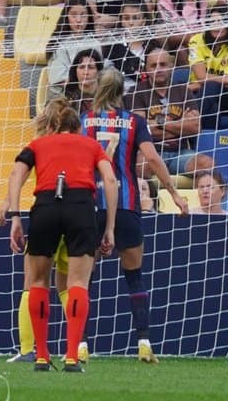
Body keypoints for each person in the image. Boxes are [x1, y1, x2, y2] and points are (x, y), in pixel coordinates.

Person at [0, 97, 115, 372]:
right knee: (77, 284)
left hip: (46, 206)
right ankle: (73, 356)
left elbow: (16, 174)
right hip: (81, 206)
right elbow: (109, 180)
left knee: (38, 281)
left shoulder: (38, 145)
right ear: (78, 127)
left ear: (53, 124)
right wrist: (109, 227)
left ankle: (41, 356)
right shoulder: (92, 145)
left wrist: (15, 216)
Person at [78, 68, 187, 363]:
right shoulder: (134, 121)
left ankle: (81, 345)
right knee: (134, 277)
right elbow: (152, 158)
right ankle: (143, 342)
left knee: (82, 280)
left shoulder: (82, 120)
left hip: (88, 205)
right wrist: (174, 193)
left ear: (97, 88)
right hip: (125, 204)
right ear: (122, 92)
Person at [132, 43, 201, 172]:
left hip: (181, 153)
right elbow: (140, 129)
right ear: (146, 69)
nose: (158, 69)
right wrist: (179, 124)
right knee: (140, 165)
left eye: (163, 64)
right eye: (153, 66)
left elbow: (195, 127)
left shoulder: (184, 91)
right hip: (150, 152)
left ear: (171, 66)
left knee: (206, 163)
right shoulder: (136, 92)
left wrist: (158, 122)